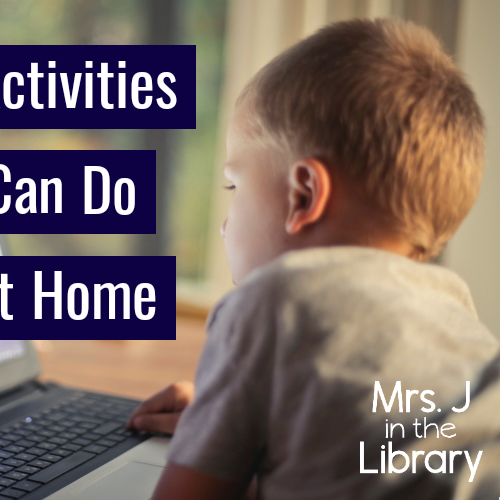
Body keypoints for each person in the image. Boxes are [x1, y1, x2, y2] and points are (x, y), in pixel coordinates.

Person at [127, 18, 499, 500]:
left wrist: (214, 440)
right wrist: (240, 418)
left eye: (234, 185)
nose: (224, 222)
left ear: (304, 195)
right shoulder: (463, 321)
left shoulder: (271, 304)